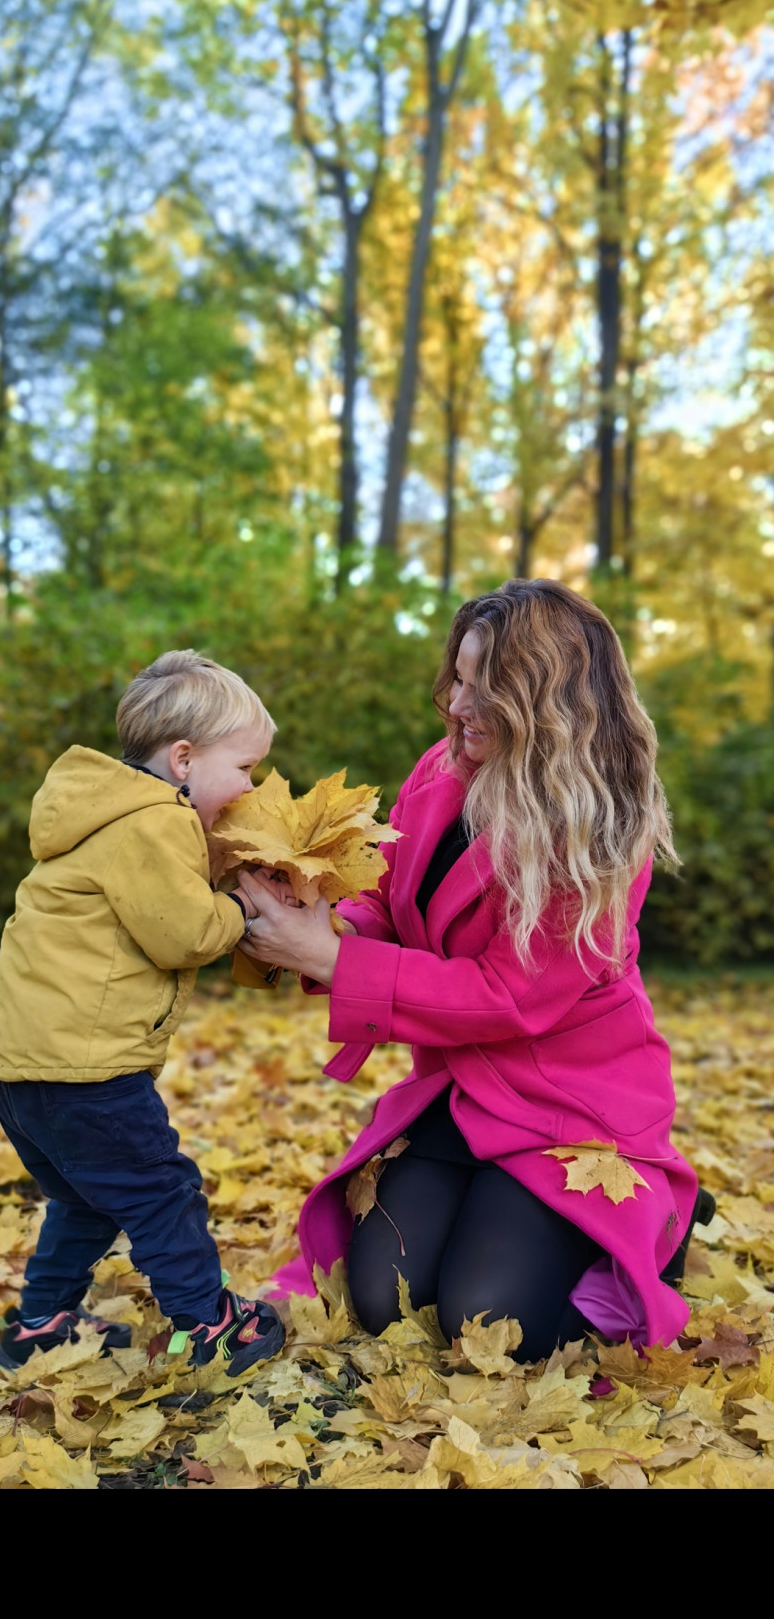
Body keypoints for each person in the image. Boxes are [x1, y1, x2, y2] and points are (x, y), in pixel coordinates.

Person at [238, 581, 711, 1359]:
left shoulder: (595, 834)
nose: (458, 705)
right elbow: (389, 899)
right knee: (381, 1300)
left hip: (568, 1100)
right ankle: (491, 1212)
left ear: (546, 702)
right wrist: (322, 926)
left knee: (489, 1322)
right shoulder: (443, 768)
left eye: (485, 689)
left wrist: (330, 958)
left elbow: (508, 997)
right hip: (462, 1090)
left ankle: (652, 1225)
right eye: (458, 678)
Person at [0, 650, 285, 1378]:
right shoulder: (152, 821)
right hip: (88, 1072)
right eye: (243, 769)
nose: (251, 787)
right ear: (183, 760)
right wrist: (242, 908)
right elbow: (182, 932)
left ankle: (40, 1326)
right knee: (163, 1192)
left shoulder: (104, 814)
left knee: (86, 1200)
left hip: (28, 1071)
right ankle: (205, 1329)